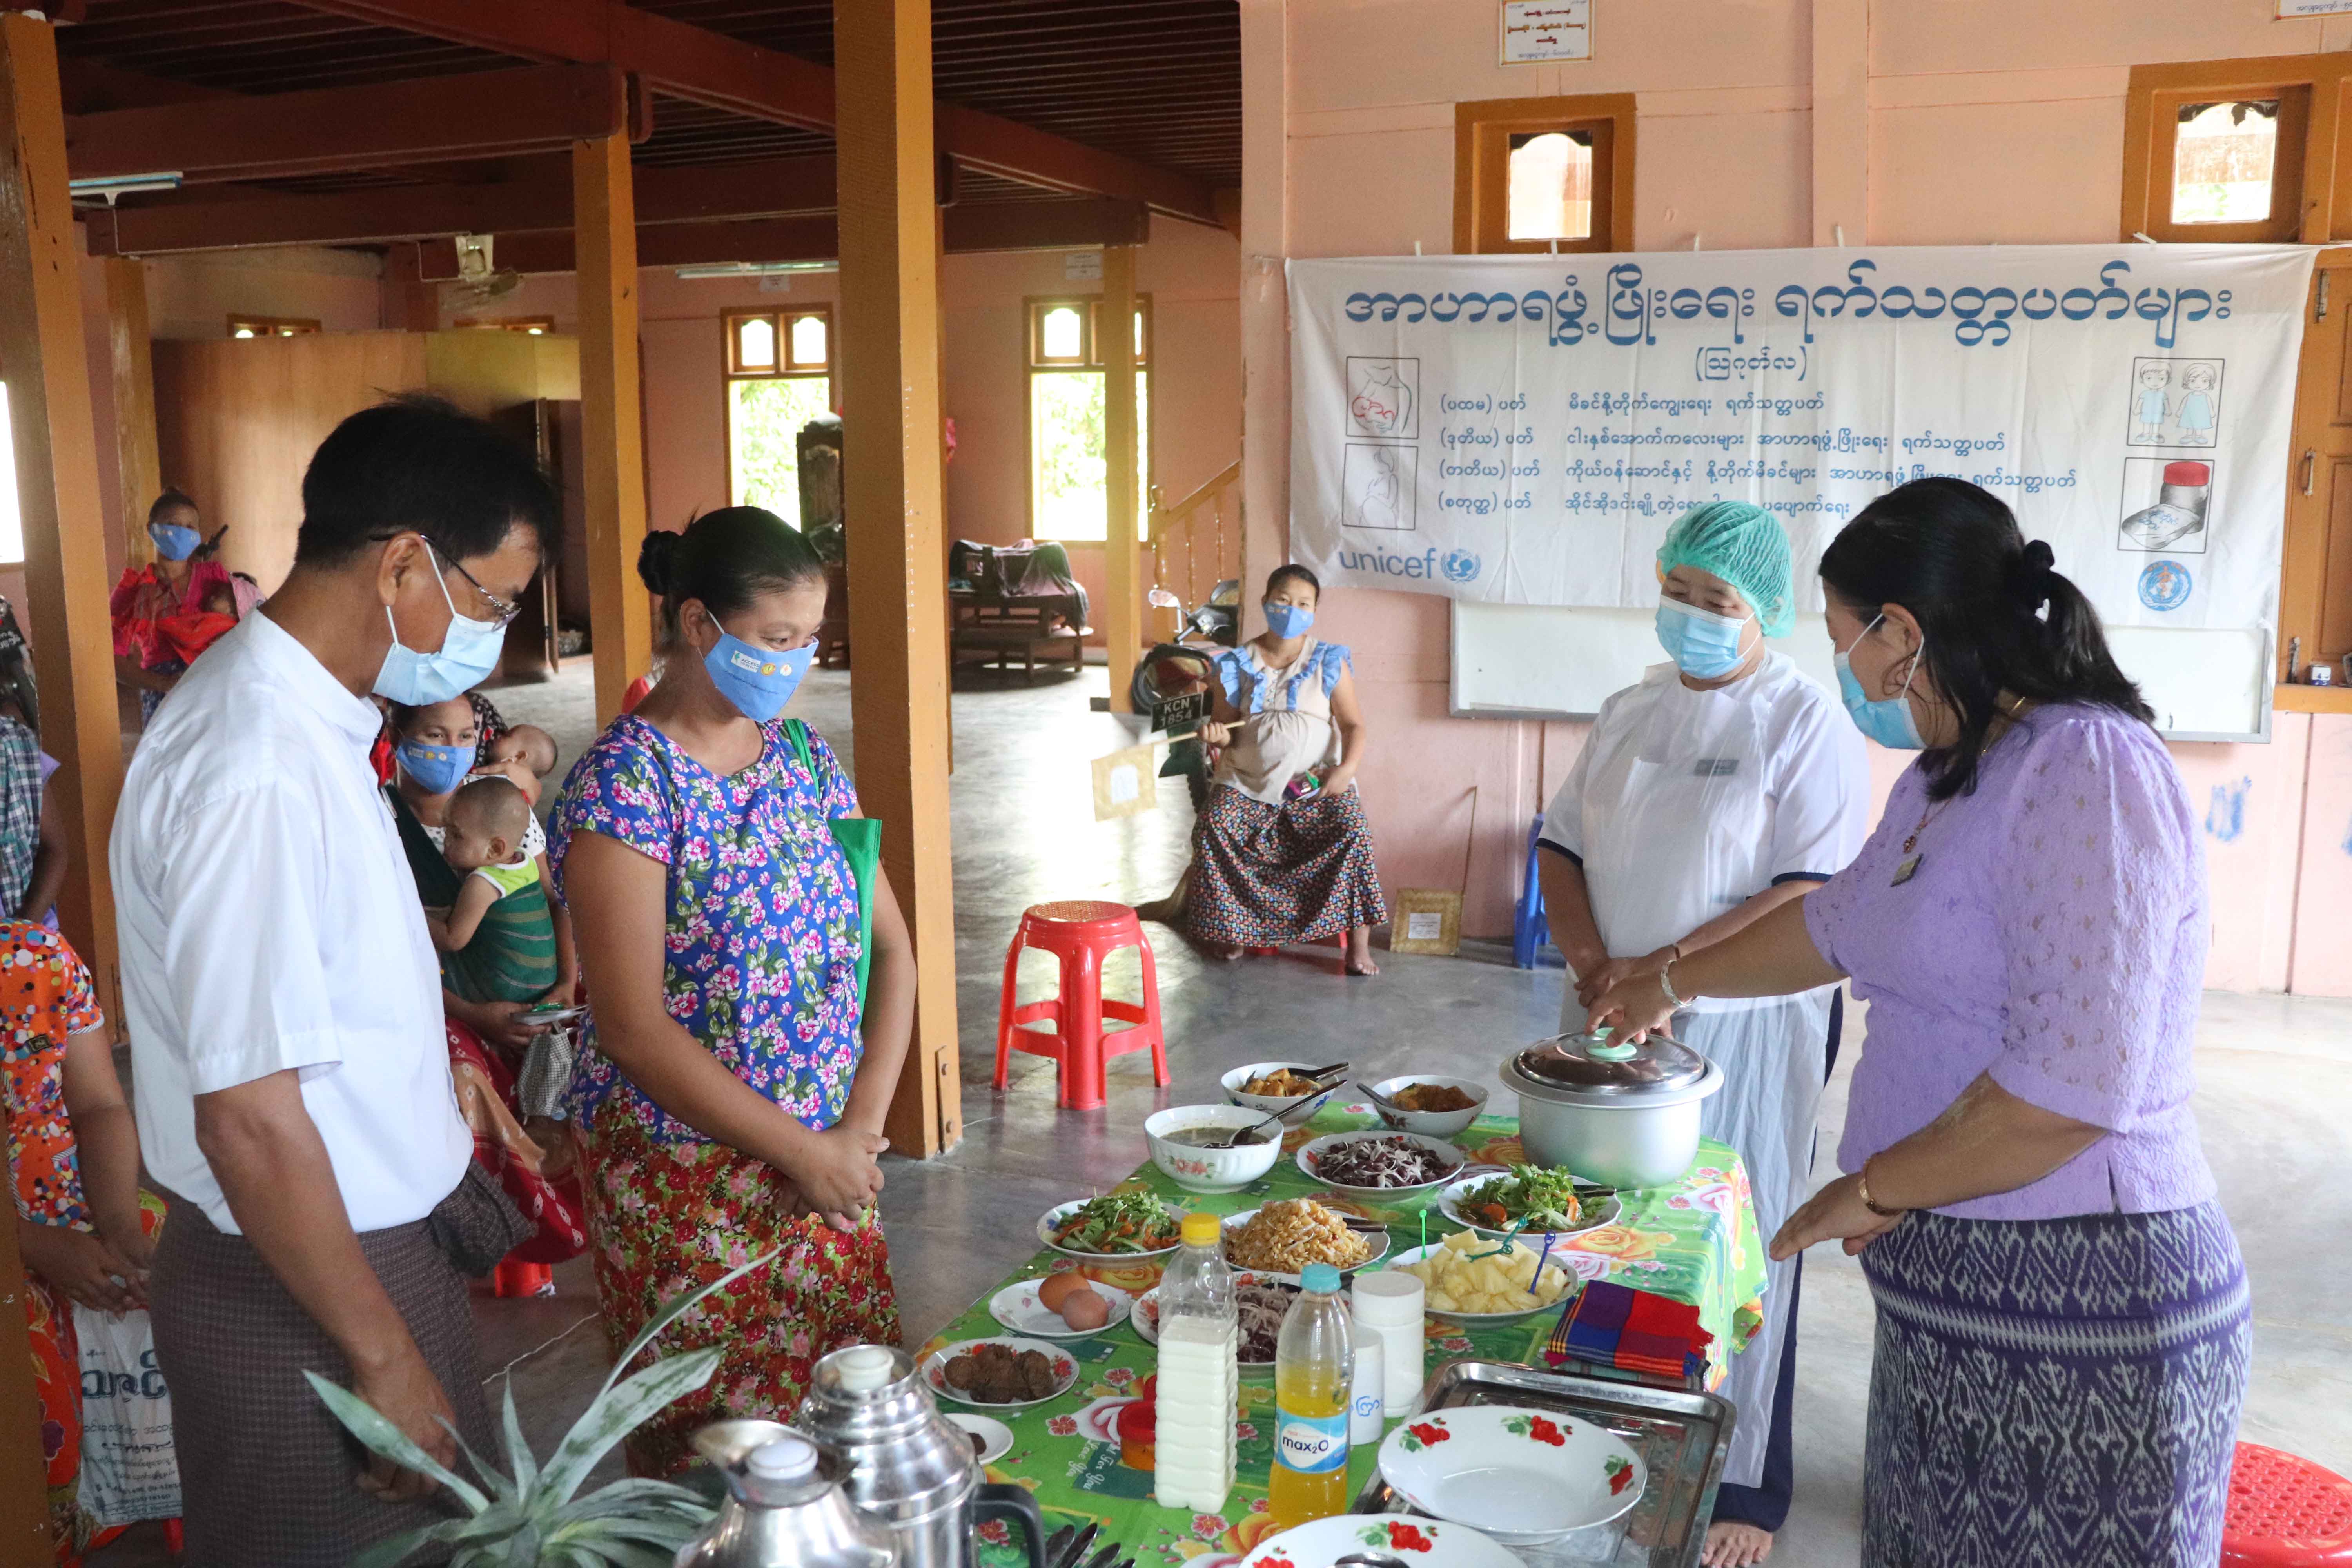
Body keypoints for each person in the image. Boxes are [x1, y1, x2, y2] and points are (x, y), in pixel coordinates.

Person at [1589, 477, 2247, 1568]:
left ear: (1902, 633)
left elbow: (2075, 1088)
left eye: (1846, 638)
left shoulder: (2088, 772)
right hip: (1959, 1299)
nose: (1845, 669)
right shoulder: (1950, 777)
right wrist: (1670, 979)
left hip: (2086, 1311)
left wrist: (1874, 1185)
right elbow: (1832, 927)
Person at [109, 395, 558, 1566]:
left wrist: (418, 1069)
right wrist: (383, 1357)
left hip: (347, 1257)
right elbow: (251, 1119)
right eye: (494, 600)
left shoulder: (313, 724)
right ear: (404, 562)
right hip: (304, 1288)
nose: (497, 641)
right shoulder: (255, 761)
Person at [551, 506, 916, 1476]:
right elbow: (632, 1028)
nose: (796, 662)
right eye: (777, 639)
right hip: (688, 1186)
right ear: (701, 626)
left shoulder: (803, 759)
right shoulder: (623, 790)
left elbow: (892, 951)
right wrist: (809, 1151)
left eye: (810, 642)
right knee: (722, 1463)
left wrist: (856, 1136)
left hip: (832, 1175)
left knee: (848, 1432)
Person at [1539, 501, 1866, 1567]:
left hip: (1747, 1022)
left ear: (1763, 612)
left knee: (1743, 1222)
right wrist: (1599, 968)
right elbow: (1561, 846)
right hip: (1613, 1012)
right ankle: (1623, 1431)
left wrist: (1670, 976)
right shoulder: (1631, 710)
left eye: (1716, 602)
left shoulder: (1801, 720)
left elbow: (1804, 890)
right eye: (1678, 592)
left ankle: (1741, 1477)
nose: (1691, 617)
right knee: (1614, 1219)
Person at [5, 921, 162, 1565]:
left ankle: (158, 1487)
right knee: (27, 1335)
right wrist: (30, 1243)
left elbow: (98, 1104)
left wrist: (120, 1227)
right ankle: (53, 1529)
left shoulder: (34, 955)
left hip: (70, 1194)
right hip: (15, 1230)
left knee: (183, 1263)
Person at [1188, 565, 1387, 975]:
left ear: (1314, 611)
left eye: (1303, 603)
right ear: (1265, 602)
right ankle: (1233, 931)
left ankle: (1358, 948)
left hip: (1312, 784)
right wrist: (1213, 732)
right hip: (1246, 782)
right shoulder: (1237, 662)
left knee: (1352, 829)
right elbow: (1225, 728)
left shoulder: (1329, 660)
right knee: (1213, 826)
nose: (1291, 609)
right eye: (1282, 599)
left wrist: (1345, 771)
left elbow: (1354, 725)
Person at [427, 775, 558, 1002]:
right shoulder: (523, 861)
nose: (446, 840)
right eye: (446, 830)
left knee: (427, 960)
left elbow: (453, 939)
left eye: (456, 835)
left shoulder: (483, 883)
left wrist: (410, 913)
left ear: (495, 849)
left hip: (507, 985)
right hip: (542, 979)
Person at [111, 490, 233, 723]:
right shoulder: (133, 591)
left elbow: (247, 621)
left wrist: (230, 605)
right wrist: (165, 683)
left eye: (190, 527)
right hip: (162, 698)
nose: (182, 532)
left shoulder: (214, 577)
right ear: (151, 528)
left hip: (213, 687)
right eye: (172, 524)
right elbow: (113, 660)